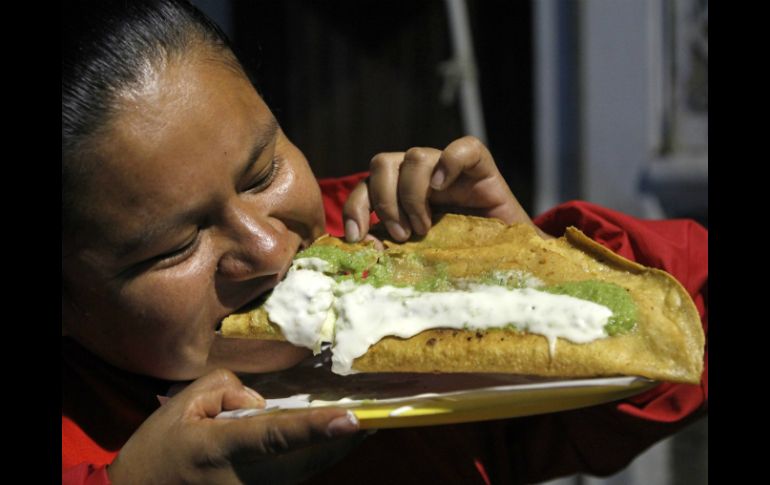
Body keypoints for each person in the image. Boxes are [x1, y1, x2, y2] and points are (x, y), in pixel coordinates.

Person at [62, 1, 708, 483]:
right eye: (174, 246)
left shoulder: (376, 245)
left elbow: (661, 367)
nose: (266, 247)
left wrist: (523, 281)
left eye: (262, 173)